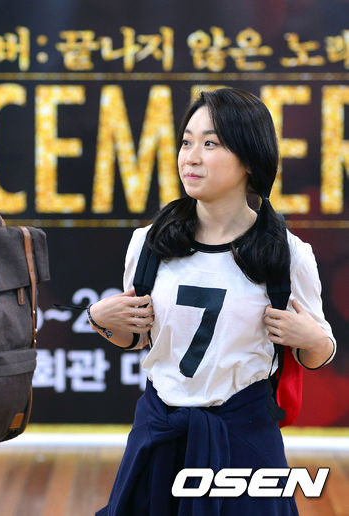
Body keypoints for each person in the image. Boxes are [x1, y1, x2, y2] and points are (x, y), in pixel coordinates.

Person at [88, 88, 336, 515]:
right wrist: (101, 320)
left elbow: (318, 352)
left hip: (244, 438)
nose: (191, 157)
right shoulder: (148, 243)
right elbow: (138, 339)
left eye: (211, 143)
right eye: (186, 142)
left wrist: (311, 339)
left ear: (250, 159)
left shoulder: (289, 253)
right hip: (159, 433)